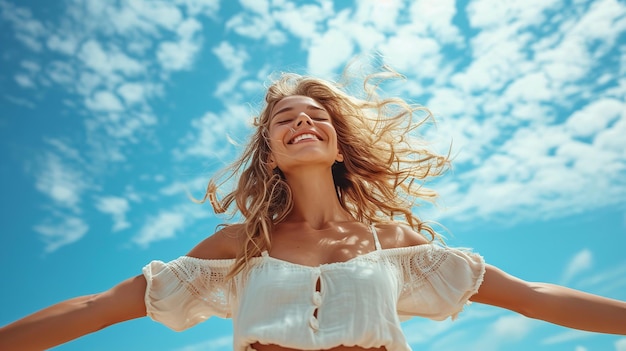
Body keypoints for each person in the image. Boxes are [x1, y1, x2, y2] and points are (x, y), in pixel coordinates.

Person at [1, 68, 625, 351]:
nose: (303, 121)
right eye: (285, 119)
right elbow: (97, 308)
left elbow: (532, 296)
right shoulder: (234, 247)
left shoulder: (393, 241)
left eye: (317, 116)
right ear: (270, 150)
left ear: (335, 144)